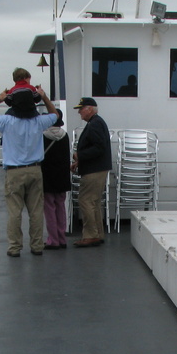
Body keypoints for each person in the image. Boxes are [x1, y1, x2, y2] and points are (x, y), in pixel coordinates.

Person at [0, 83, 59, 257]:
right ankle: (37, 246)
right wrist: (44, 97)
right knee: (36, 211)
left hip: (14, 172)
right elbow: (55, 115)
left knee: (15, 212)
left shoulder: (6, 121)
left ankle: (14, 247)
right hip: (35, 170)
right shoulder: (38, 121)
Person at [71, 97, 112, 247]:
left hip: (94, 170)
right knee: (93, 202)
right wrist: (79, 162)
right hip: (98, 168)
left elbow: (99, 147)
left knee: (86, 200)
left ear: (89, 109)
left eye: (81, 109)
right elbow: (99, 147)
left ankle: (90, 235)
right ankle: (97, 234)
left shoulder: (94, 124)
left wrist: (79, 155)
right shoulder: (97, 122)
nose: (79, 112)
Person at [41, 111, 71, 250]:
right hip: (62, 176)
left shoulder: (42, 136)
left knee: (49, 208)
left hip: (47, 176)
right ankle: (62, 238)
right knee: (60, 206)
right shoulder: (65, 136)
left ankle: (53, 240)